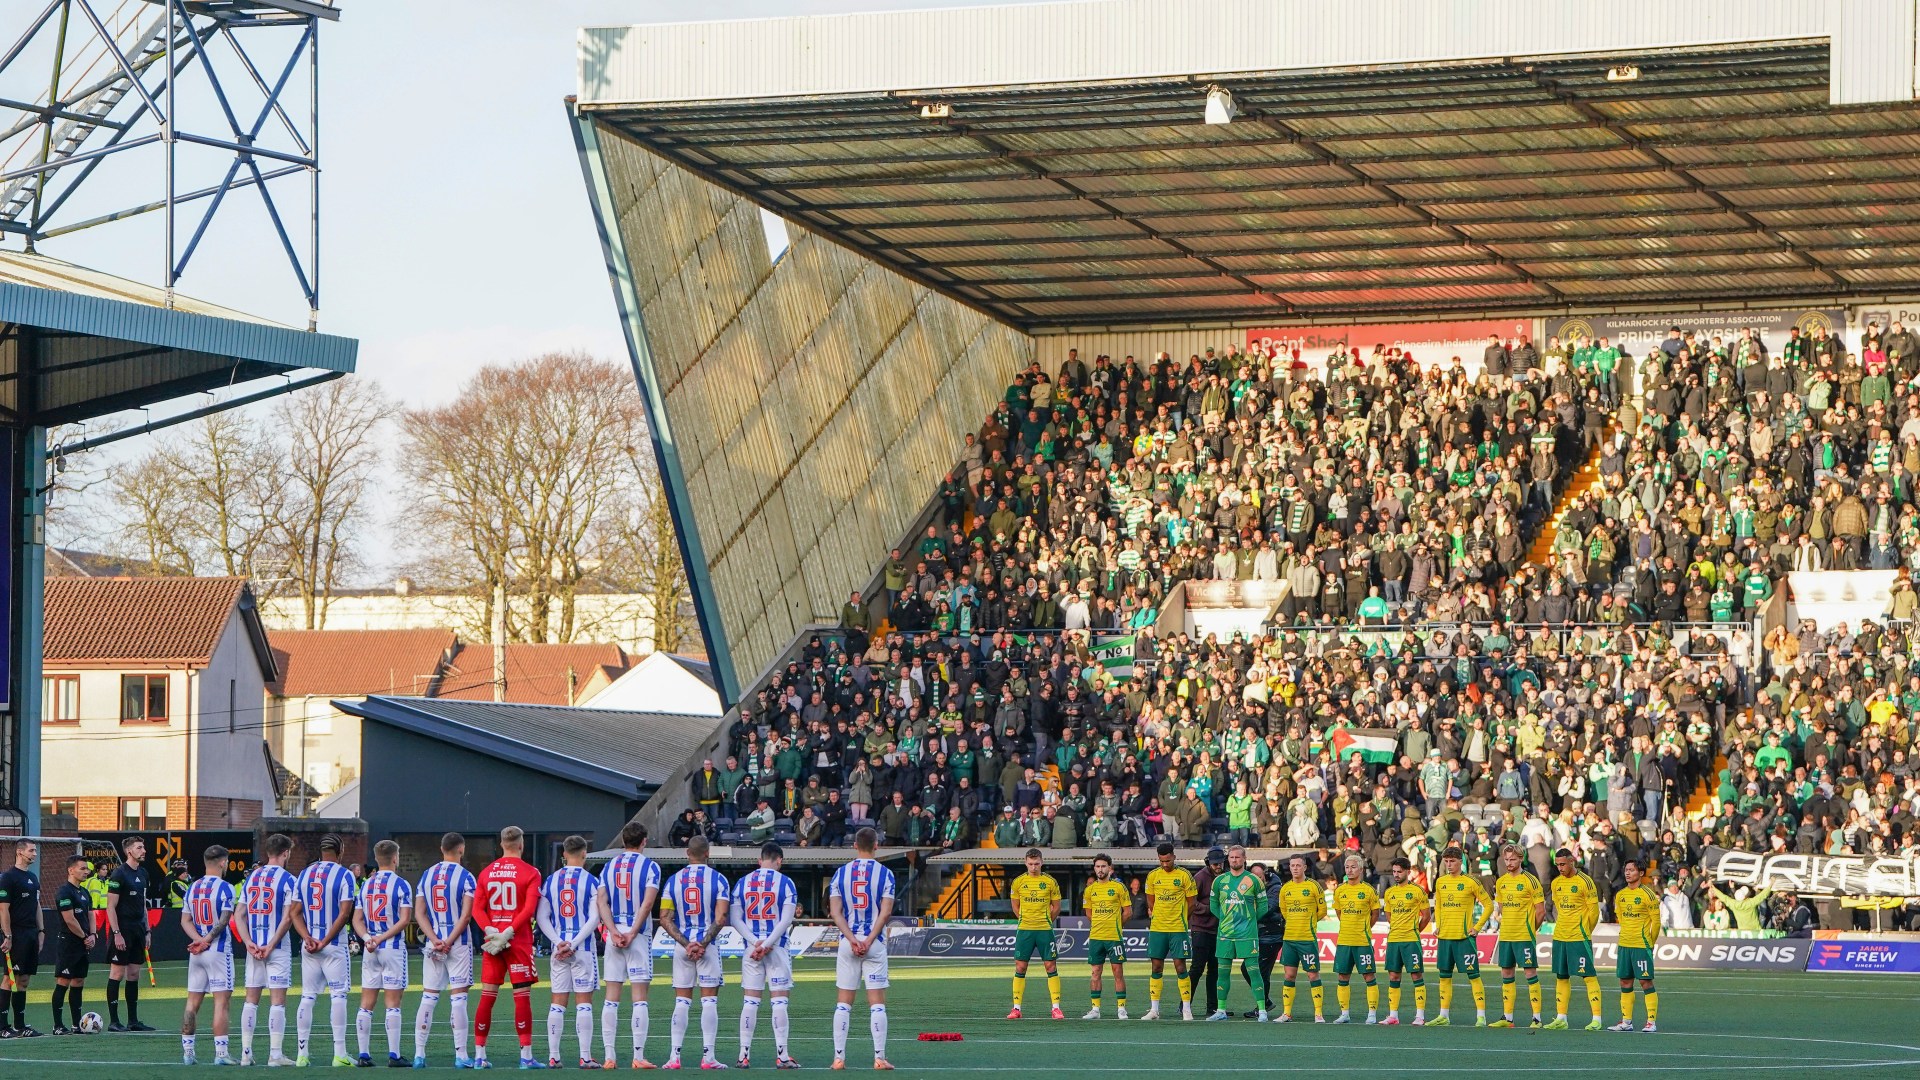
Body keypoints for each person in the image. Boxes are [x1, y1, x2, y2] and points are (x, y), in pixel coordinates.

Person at [472, 826, 544, 1069]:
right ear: (521, 844)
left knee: (487, 996)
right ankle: (525, 1057)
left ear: (501, 844)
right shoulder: (531, 872)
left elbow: (477, 910)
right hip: (518, 941)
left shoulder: (486, 872)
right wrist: (509, 931)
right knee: (521, 997)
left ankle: (479, 1055)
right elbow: (529, 910)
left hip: (492, 943)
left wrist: (491, 931)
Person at [593, 823, 660, 1070]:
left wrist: (612, 931)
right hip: (637, 936)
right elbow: (647, 902)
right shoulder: (650, 866)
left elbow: (602, 900)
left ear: (623, 841)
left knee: (611, 997)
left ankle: (609, 1057)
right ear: (643, 841)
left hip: (614, 936)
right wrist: (632, 932)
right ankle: (638, 1056)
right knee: (639, 998)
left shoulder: (609, 866)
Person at [827, 827, 896, 1070]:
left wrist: (853, 940)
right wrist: (868, 941)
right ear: (876, 845)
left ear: (855, 845)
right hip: (873, 944)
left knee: (843, 1003)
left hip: (849, 943)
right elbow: (886, 912)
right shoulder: (886, 874)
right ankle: (879, 1057)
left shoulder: (840, 873)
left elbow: (835, 913)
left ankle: (838, 1058)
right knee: (877, 1003)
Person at [660, 834, 729, 1070]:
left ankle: (674, 1057)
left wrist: (686, 943)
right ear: (708, 853)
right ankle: (708, 1057)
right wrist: (702, 943)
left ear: (687, 854)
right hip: (707, 948)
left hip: (682, 948)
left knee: (681, 1001)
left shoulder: (673, 881)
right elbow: (720, 918)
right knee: (709, 1001)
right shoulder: (719, 880)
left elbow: (665, 918)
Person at [290, 834, 357, 1067]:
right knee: (338, 996)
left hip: (309, 946)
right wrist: (325, 940)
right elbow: (344, 913)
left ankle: (301, 1055)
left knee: (307, 997)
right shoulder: (345, 874)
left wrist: (307, 937)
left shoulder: (305, 873)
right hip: (333, 946)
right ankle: (339, 1054)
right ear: (340, 851)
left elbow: (294, 912)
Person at [732, 842, 800, 1069]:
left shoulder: (743, 882)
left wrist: (755, 943)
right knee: (779, 1001)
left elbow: (735, 919)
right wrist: (768, 943)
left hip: (751, 950)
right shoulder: (786, 882)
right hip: (777, 949)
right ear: (779, 860)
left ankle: (743, 1055)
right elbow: (786, 919)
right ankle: (782, 1055)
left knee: (750, 1001)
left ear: (760, 860)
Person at [536, 836, 601, 1070]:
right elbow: (595, 918)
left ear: (564, 854)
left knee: (557, 1003)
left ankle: (554, 1056)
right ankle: (585, 1057)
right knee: (584, 1003)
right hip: (581, 948)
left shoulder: (551, 881)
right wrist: (573, 943)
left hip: (558, 950)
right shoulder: (593, 881)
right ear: (584, 854)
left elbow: (542, 917)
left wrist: (559, 942)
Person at [413, 832, 477, 1069]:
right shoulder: (467, 877)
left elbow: (419, 913)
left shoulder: (427, 875)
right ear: (461, 849)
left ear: (442, 848)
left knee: (428, 998)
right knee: (458, 999)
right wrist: (448, 940)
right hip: (457, 943)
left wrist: (434, 939)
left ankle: (419, 1054)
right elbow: (466, 915)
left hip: (433, 943)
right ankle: (461, 1056)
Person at [237, 833, 298, 1066]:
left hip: (254, 948)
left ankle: (246, 1053)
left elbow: (239, 915)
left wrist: (248, 942)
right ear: (286, 853)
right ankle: (275, 1054)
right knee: (277, 1001)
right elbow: (287, 918)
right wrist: (271, 944)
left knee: (251, 1000)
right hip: (277, 948)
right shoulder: (289, 880)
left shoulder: (252, 878)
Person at [352, 840, 414, 1067]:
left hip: (371, 950)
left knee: (366, 1002)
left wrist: (369, 938)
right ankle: (394, 1055)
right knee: (393, 1003)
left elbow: (356, 920)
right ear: (395, 858)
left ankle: (364, 1055)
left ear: (377, 859)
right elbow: (405, 919)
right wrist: (381, 937)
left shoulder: (366, 885)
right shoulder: (402, 885)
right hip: (392, 948)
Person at [180, 845, 238, 1066]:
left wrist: (197, 939)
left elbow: (184, 920)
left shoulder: (192, 887)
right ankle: (221, 1054)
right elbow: (224, 920)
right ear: (223, 863)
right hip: (218, 950)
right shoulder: (226, 888)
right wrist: (207, 940)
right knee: (221, 1003)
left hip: (197, 952)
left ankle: (188, 1053)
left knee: (192, 1003)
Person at [1428, 846, 1492, 1027]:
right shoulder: (1441, 882)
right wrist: (1438, 926)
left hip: (1465, 938)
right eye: (1446, 861)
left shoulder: (1471, 882)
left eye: (1452, 861)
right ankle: (1443, 1016)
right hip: (1445, 938)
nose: (1449, 864)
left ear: (1460, 862)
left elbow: (1488, 905)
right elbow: (1438, 906)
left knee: (1474, 976)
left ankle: (1481, 1016)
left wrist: (1477, 927)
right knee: (1444, 976)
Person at [1205, 845, 1267, 1023]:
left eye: (1238, 857)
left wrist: (1248, 920)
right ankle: (1221, 1010)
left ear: (1244, 858)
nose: (1234, 860)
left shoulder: (1254, 880)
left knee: (1254, 972)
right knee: (1222, 973)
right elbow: (1214, 905)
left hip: (1247, 933)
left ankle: (1262, 1010)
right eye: (1231, 857)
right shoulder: (1220, 881)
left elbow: (1263, 906)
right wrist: (1226, 919)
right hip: (1225, 933)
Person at [1545, 847, 1604, 1031]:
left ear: (1572, 861)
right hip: (1560, 936)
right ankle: (1561, 1018)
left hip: (1579, 937)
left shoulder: (1586, 882)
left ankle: (1596, 1019)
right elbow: (1559, 909)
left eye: (1563, 864)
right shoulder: (1556, 884)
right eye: (1557, 865)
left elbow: (1594, 912)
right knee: (1561, 976)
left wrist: (1586, 930)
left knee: (1588, 976)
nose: (1560, 868)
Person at [1490, 844, 1546, 1029]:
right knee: (1506, 973)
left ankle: (1537, 1018)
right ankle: (1508, 1018)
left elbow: (1540, 912)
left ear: (1521, 859)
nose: (1509, 863)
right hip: (1506, 935)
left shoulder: (1531, 880)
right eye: (1506, 859)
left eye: (1512, 859)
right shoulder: (1501, 882)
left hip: (1524, 936)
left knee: (1530, 973)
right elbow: (1502, 908)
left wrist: (1531, 929)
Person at [1139, 841, 1195, 1021]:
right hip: (1158, 929)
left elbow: (1191, 903)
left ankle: (1187, 1009)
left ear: (1174, 857)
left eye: (1168, 861)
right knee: (1156, 966)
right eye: (1162, 861)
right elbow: (1151, 901)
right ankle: (1154, 1010)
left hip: (1178, 928)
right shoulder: (1153, 876)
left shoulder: (1185, 875)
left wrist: (1181, 919)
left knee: (1180, 967)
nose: (1165, 864)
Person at [1006, 848, 1063, 1020]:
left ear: (1042, 863)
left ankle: (1056, 1008)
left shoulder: (1050, 882)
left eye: (1036, 864)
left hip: (1044, 930)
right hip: (1025, 930)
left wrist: (1045, 920)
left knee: (1050, 967)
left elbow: (1057, 907)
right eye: (1030, 864)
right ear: (1025, 863)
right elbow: (1015, 906)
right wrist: (1026, 919)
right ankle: (1016, 1008)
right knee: (1020, 967)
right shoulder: (1018, 882)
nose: (1033, 867)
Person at [104, 836, 153, 1033]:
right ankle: (114, 1021)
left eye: (143, 847)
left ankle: (133, 1021)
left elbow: (143, 904)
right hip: (122, 929)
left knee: (134, 974)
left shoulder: (143, 873)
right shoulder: (119, 874)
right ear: (129, 851)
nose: (144, 850)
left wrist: (147, 929)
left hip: (138, 930)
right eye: (139, 847)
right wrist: (116, 933)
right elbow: (110, 907)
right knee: (117, 973)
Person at [1610, 859, 1662, 1033]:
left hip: (1641, 945)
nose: (1627, 873)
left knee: (1645, 982)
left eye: (1631, 870)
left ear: (1640, 873)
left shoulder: (1648, 894)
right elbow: (1621, 918)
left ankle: (1651, 1022)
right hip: (1625, 944)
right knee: (1625, 981)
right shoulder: (1620, 895)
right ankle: (1626, 1021)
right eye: (1626, 869)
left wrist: (1651, 943)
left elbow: (1656, 922)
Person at [1273, 854, 1326, 1023]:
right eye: (1292, 865)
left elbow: (1322, 910)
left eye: (1298, 865)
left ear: (1304, 867)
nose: (1295, 868)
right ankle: (1287, 1013)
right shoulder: (1285, 888)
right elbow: (1284, 910)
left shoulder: (1313, 886)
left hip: (1307, 938)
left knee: (1312, 975)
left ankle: (1318, 1014)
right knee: (1289, 975)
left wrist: (1308, 921)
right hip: (1289, 939)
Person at [1330, 853, 1379, 1025]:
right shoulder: (1340, 890)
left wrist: (1363, 927)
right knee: (1343, 976)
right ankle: (1344, 1013)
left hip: (1362, 941)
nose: (1349, 870)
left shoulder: (1368, 890)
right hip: (1344, 941)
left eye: (1353, 867)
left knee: (1369, 976)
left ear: (1360, 869)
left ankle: (1372, 1014)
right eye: (1347, 867)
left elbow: (1375, 914)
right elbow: (1338, 912)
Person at [1379, 857, 1429, 1026]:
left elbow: (1426, 916)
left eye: (1399, 871)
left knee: (1416, 975)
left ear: (1408, 872)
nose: (1396, 875)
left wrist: (1414, 931)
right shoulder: (1389, 892)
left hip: (1411, 940)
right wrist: (1397, 927)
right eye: (1394, 872)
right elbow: (1388, 914)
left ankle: (1420, 1016)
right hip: (1394, 940)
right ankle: (1393, 1015)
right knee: (1393, 975)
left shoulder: (1417, 891)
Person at [51, 855, 96, 1035]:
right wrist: (85, 936)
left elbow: (91, 915)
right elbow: (69, 920)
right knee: (63, 981)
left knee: (78, 981)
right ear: (71, 870)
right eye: (82, 868)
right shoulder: (64, 892)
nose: (86, 872)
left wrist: (92, 935)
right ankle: (57, 1026)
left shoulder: (84, 892)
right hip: (69, 943)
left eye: (87, 869)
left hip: (83, 943)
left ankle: (77, 1025)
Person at [1080, 854, 1129, 1020]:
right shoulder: (1089, 890)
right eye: (1097, 867)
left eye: (1103, 866)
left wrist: (1114, 924)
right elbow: (1088, 913)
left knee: (1118, 973)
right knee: (1095, 972)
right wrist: (1100, 923)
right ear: (1094, 869)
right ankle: (1095, 1009)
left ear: (1110, 868)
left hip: (1114, 937)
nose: (1100, 870)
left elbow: (1128, 912)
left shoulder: (1119, 887)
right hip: (1096, 937)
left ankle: (1121, 1008)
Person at [0, 839, 41, 1038]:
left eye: (35, 850)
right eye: (31, 850)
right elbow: (3, 909)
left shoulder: (33, 878)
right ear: (19, 852)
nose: (34, 854)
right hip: (15, 934)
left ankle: (20, 1025)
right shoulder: (8, 878)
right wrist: (8, 935)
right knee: (9, 979)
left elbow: (37, 906)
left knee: (24, 980)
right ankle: (2, 1027)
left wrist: (41, 931)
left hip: (31, 934)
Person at [1188, 848, 1224, 1018]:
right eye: (1215, 863)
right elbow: (1192, 902)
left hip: (1218, 931)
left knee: (1215, 970)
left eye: (1220, 863)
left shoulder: (1225, 877)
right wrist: (1212, 910)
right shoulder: (1200, 877)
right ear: (1208, 862)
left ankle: (1213, 1008)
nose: (1218, 866)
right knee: (1196, 968)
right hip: (1201, 929)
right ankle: (1185, 1004)